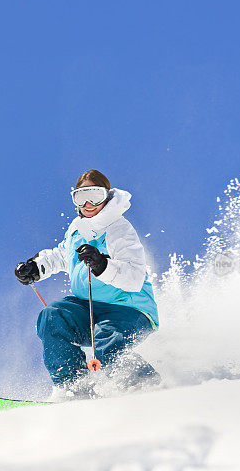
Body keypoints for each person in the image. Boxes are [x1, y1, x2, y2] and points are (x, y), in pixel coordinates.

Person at [14, 169, 160, 398]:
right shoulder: (76, 228)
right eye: (81, 197)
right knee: (52, 316)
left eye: (95, 195)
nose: (88, 203)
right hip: (89, 306)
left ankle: (143, 383)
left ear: (107, 197)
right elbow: (63, 256)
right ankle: (75, 386)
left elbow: (134, 278)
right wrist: (37, 267)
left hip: (129, 308)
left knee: (107, 342)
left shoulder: (119, 228)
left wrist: (102, 265)